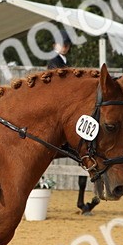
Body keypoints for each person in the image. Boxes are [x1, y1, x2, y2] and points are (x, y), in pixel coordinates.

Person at [43, 32, 98, 214]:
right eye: (61, 44)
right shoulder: (54, 62)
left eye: (66, 44)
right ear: (55, 45)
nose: (65, 47)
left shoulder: (65, 62)